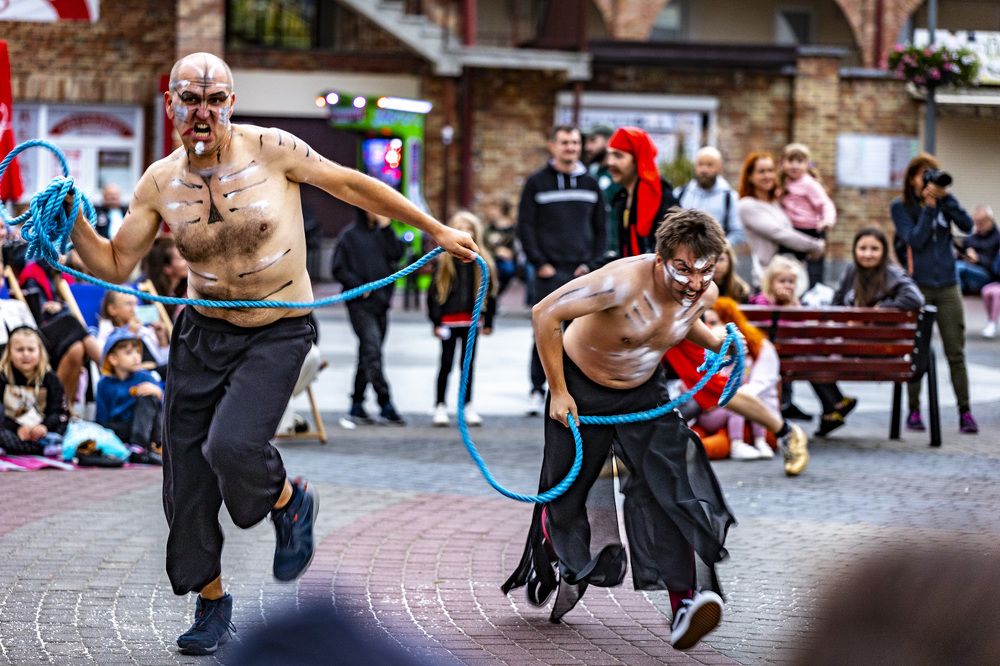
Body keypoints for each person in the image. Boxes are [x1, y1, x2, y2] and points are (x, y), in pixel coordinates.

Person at [65, 52, 478, 656]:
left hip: (276, 330)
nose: (203, 112)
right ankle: (211, 602)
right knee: (185, 479)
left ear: (230, 103)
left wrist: (436, 229)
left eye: (215, 100)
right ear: (171, 104)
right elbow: (113, 264)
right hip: (201, 334)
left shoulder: (273, 149)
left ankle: (289, 501)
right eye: (190, 100)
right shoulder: (158, 182)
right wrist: (73, 220)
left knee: (232, 446)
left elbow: (349, 184)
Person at [503, 209, 737, 651]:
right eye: (683, 269)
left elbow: (678, 322)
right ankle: (556, 552)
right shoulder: (619, 283)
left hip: (644, 395)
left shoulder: (701, 292)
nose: (694, 282)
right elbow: (544, 313)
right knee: (567, 499)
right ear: (660, 259)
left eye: (705, 270)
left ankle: (685, 603)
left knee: (671, 489)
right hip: (581, 390)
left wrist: (717, 343)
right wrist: (558, 392)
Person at [517, 124, 606, 416]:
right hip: (549, 272)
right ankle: (536, 389)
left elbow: (601, 229)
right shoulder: (537, 183)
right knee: (545, 333)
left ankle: (577, 392)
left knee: (582, 335)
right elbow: (525, 226)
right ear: (553, 146)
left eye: (575, 143)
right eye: (565, 142)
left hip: (582, 273)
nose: (571, 148)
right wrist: (540, 263)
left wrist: (592, 265)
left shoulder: (591, 184)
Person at [891, 153, 977, 434]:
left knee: (956, 352)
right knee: (918, 351)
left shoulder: (944, 202)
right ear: (911, 179)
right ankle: (914, 410)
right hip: (919, 287)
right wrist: (929, 209)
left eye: (932, 173)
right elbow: (915, 240)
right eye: (923, 174)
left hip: (948, 286)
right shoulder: (901, 207)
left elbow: (967, 226)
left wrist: (947, 199)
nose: (928, 179)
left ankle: (965, 412)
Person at [751, 256, 856, 437]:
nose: (787, 285)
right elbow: (771, 329)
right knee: (812, 360)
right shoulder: (762, 301)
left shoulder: (795, 303)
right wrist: (785, 308)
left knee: (812, 359)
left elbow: (802, 330)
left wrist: (793, 306)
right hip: (772, 355)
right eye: (782, 281)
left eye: (791, 282)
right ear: (770, 282)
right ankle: (836, 403)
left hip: (792, 356)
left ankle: (834, 406)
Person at [332, 210, 407, 425]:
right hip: (360, 304)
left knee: (368, 352)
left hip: (381, 303)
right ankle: (385, 402)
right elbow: (338, 268)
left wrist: (387, 228)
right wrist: (358, 286)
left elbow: (396, 254)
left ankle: (357, 404)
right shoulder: (349, 236)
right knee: (372, 350)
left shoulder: (383, 234)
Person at [428, 212, 497, 428]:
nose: (464, 232)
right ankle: (440, 405)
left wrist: (489, 321)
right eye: (459, 228)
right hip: (449, 321)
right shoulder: (444, 261)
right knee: (446, 364)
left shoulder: (482, 262)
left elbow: (490, 293)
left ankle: (466, 405)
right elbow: (434, 294)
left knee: (467, 365)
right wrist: (436, 322)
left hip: (471, 321)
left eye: (468, 229)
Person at [694, 299, 780, 461]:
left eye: (714, 322)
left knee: (728, 432)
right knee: (706, 435)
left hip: (753, 417)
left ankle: (753, 442)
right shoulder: (707, 352)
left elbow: (758, 387)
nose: (709, 328)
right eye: (706, 324)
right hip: (718, 411)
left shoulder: (759, 348)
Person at [736, 151, 824, 288]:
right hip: (767, 279)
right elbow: (779, 233)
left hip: (792, 277)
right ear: (750, 176)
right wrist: (814, 245)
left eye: (770, 170)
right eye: (761, 172)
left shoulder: (777, 203)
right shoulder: (747, 205)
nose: (767, 176)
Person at [605, 126, 677, 259]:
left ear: (638, 159)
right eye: (609, 155)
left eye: (618, 155)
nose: (610, 162)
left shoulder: (661, 196)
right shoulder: (622, 197)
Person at [95, 327, 164, 465]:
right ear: (113, 359)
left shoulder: (146, 377)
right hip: (122, 429)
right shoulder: (104, 384)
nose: (136, 356)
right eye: (128, 353)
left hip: (146, 430)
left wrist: (158, 393)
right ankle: (126, 449)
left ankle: (139, 448)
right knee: (104, 428)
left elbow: (164, 410)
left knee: (148, 395)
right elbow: (102, 418)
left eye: (137, 351)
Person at [0, 325, 68, 457]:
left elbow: (59, 411)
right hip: (12, 430)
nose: (26, 354)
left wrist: (44, 427)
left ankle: (39, 446)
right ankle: (39, 449)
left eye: (31, 349)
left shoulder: (50, 379)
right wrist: (17, 428)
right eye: (20, 350)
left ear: (40, 351)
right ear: (9, 352)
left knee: (64, 430)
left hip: (43, 431)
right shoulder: (2, 377)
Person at [778, 143, 836, 286]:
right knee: (790, 267)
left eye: (800, 161)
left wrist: (827, 220)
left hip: (811, 231)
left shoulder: (809, 184)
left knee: (813, 270)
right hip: (792, 231)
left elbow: (825, 204)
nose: (795, 165)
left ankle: (814, 292)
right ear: (783, 163)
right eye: (790, 161)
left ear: (807, 164)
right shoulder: (782, 183)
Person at [832, 228, 924, 311]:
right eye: (862, 248)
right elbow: (836, 304)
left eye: (875, 249)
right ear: (855, 250)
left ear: (884, 251)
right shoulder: (851, 270)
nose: (868, 255)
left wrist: (880, 309)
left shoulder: (893, 274)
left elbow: (915, 298)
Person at [674, 146, 744, 247]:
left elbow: (738, 232)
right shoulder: (680, 193)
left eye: (710, 165)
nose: (704, 170)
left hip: (716, 255)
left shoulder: (730, 197)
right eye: (700, 164)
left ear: (720, 168)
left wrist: (721, 247)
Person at [96, 290, 170, 375]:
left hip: (157, 374)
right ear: (112, 309)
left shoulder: (143, 330)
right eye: (129, 304)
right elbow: (108, 365)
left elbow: (162, 361)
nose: (135, 309)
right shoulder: (106, 334)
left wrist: (162, 340)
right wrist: (130, 334)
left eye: (136, 304)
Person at [140, 236, 188, 321]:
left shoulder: (186, 291)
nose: (188, 261)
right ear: (167, 268)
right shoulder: (145, 292)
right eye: (181, 258)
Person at [955, 205, 999, 295]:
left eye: (981, 222)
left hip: (987, 274)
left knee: (958, 267)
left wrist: (978, 259)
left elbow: (996, 268)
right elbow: (962, 254)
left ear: (990, 220)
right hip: (969, 270)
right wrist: (961, 255)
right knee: (952, 265)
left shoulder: (997, 238)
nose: (978, 225)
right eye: (976, 222)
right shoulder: (971, 238)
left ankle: (956, 295)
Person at [481, 198, 519, 297]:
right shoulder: (488, 228)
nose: (491, 212)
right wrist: (496, 252)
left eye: (494, 208)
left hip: (507, 262)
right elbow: (483, 245)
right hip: (491, 258)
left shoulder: (513, 228)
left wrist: (510, 252)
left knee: (507, 269)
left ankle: (494, 294)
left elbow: (517, 246)